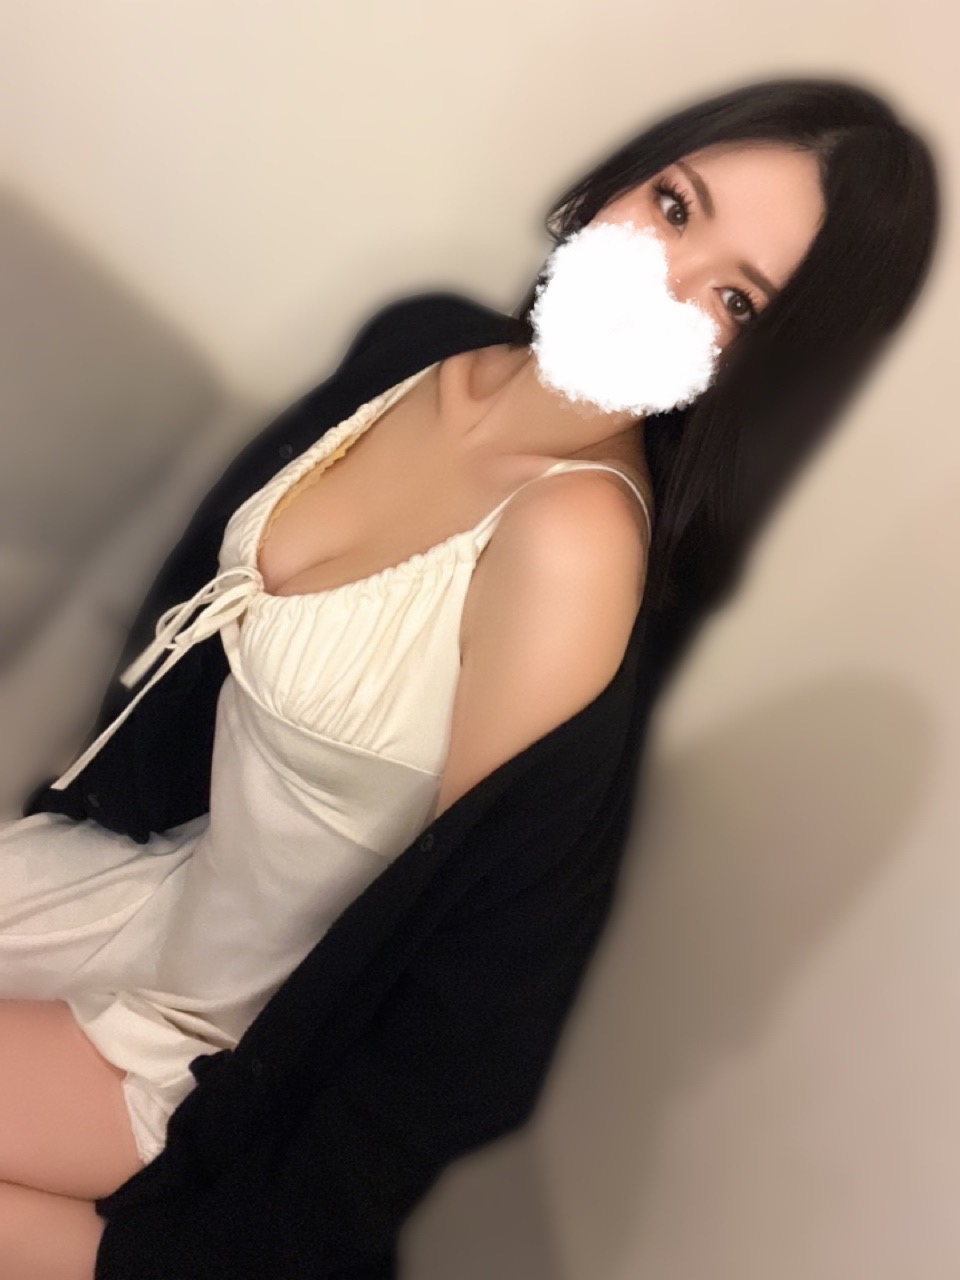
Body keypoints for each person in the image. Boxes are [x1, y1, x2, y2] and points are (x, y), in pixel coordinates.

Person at [0, 76, 939, 1278]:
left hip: (216, 1040)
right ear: (620, 179)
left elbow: (471, 983)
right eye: (673, 206)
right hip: (154, 883)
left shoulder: (570, 552)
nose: (664, 280)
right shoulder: (424, 355)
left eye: (736, 298)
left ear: (758, 371)